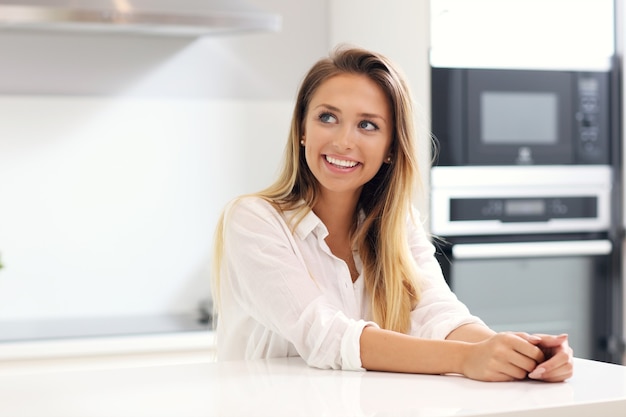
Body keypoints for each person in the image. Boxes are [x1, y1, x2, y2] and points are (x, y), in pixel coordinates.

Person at [211, 45, 574, 382]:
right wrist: (467, 359)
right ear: (302, 130)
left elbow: (440, 316)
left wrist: (515, 353)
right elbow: (325, 337)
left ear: (390, 147)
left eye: (367, 125)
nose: (343, 141)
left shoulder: (400, 225)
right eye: (327, 117)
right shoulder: (254, 220)